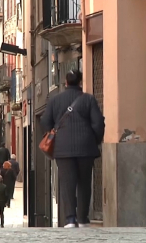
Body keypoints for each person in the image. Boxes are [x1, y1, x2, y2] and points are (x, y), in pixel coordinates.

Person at [40, 69, 105, 228]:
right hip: (85, 148)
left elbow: (45, 121)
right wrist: (93, 140)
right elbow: (98, 123)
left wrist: (54, 134)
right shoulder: (88, 99)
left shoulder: (55, 100)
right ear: (80, 81)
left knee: (67, 183)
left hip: (63, 149)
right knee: (84, 182)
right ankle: (83, 219)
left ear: (66, 82)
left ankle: (70, 219)